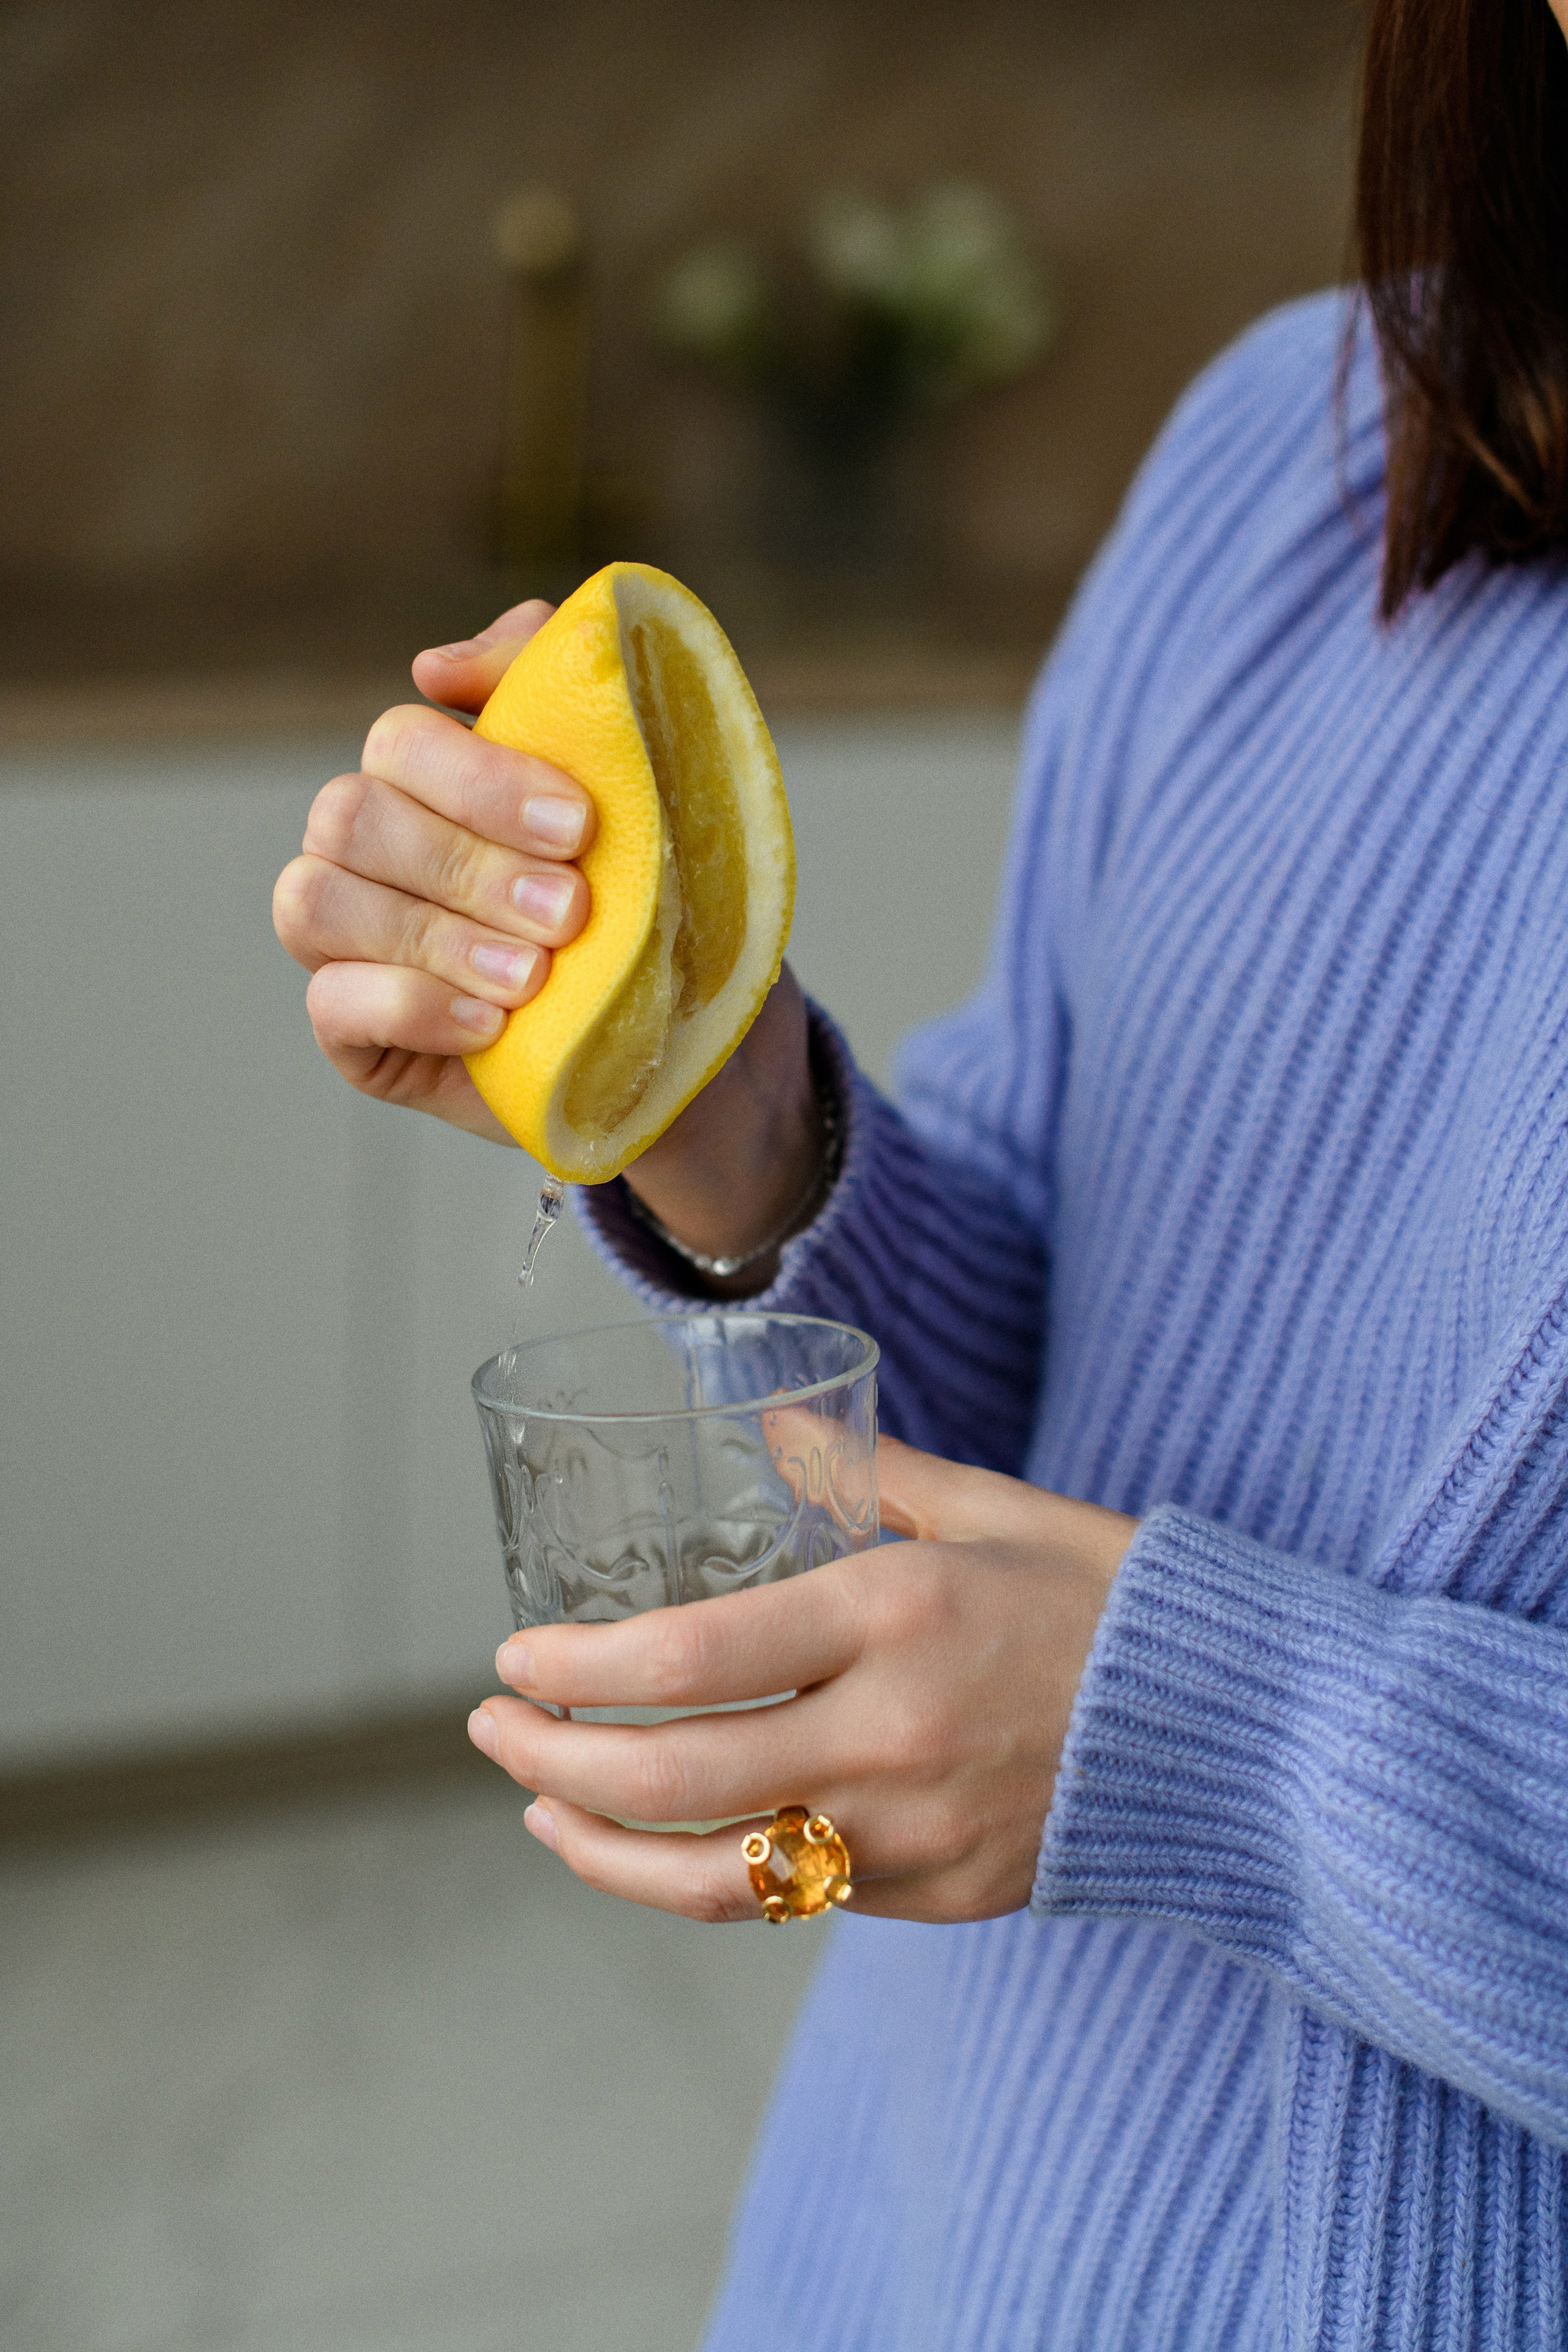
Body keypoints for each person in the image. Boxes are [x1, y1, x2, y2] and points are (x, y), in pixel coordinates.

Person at [273, 1, 1568, 2340]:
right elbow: (1080, 1303)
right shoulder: (1304, 444)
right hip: (923, 2247)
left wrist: (1212, 1743)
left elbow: (1152, 1695)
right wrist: (729, 1113)